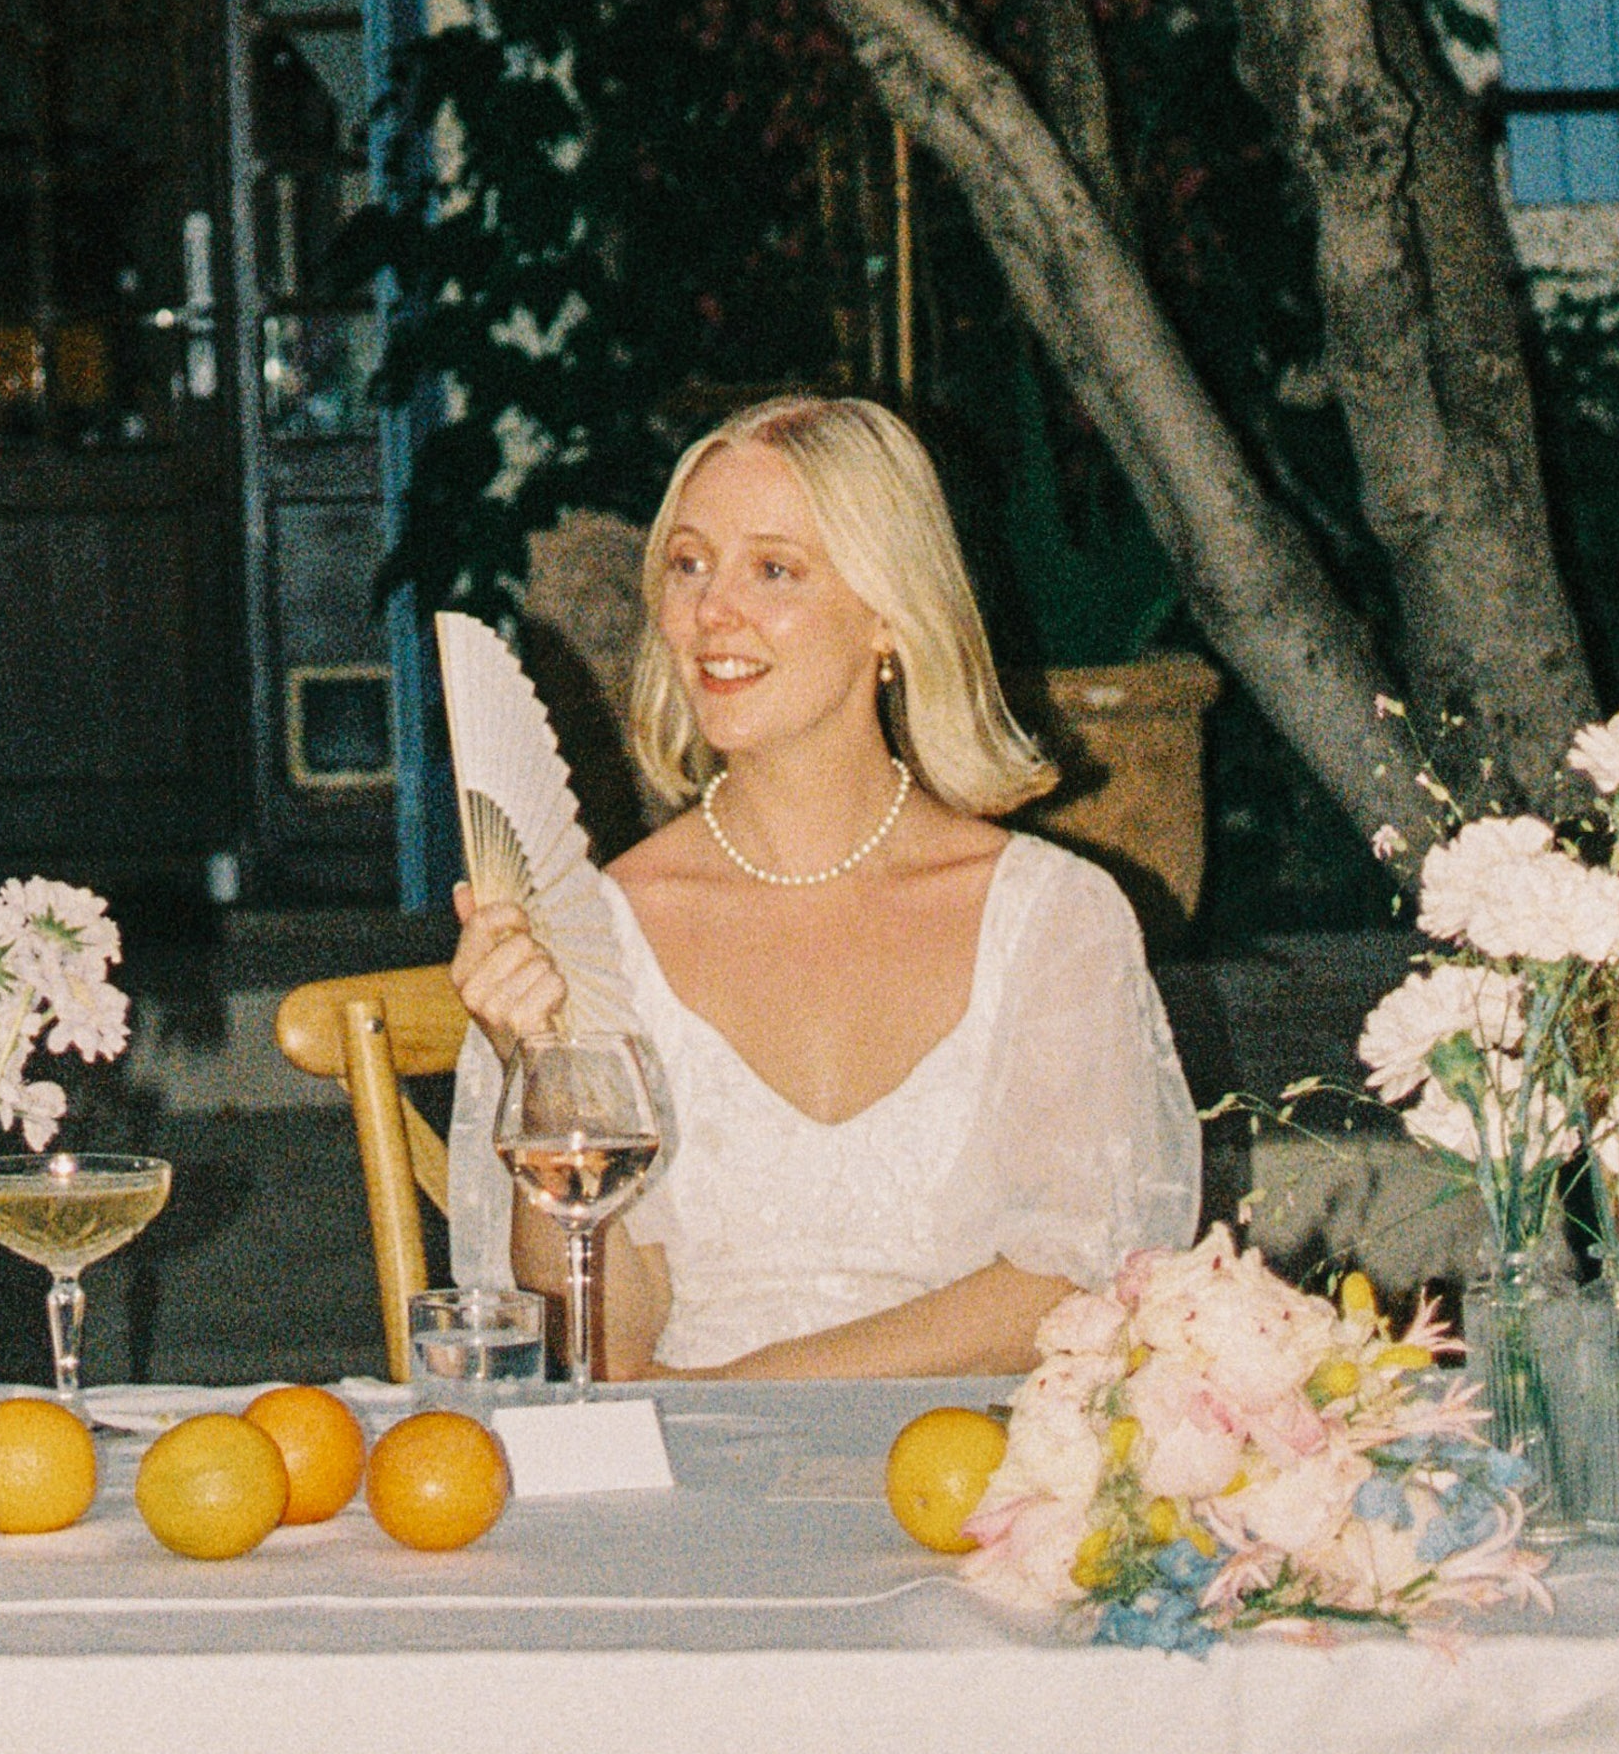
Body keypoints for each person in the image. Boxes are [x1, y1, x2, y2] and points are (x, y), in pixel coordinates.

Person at [447, 391, 1197, 1379]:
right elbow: (600, 1348)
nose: (712, 611)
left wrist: (736, 1396)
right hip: (695, 1496)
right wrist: (532, 1066)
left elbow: (1071, 1288)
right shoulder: (601, 932)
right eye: (687, 565)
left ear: (890, 612)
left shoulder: (1051, 918)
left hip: (973, 1487)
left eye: (773, 570)